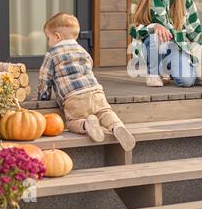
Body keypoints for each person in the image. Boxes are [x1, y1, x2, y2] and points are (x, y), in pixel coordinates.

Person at [37, 13, 136, 151]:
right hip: (95, 91)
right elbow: (89, 64)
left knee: (72, 122)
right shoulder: (82, 50)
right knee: (105, 112)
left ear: (57, 36)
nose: (48, 41)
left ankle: (86, 125)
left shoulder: (52, 54)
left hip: (73, 97)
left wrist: (43, 97)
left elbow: (44, 77)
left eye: (48, 38)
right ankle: (116, 126)